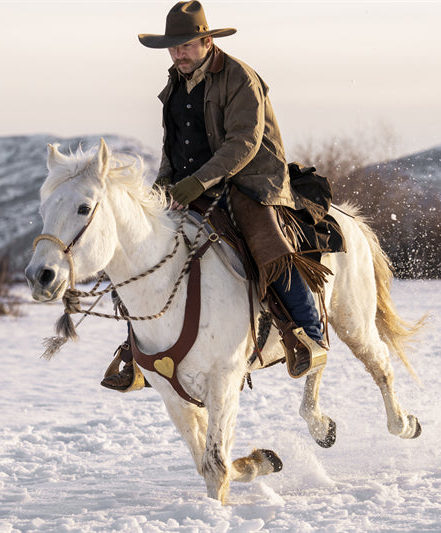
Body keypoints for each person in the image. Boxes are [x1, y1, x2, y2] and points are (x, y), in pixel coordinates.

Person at [101, 0, 328, 391]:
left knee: (266, 243)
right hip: (194, 184)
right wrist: (160, 190)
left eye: (186, 45)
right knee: (143, 248)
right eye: (173, 47)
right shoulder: (174, 83)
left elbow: (244, 142)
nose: (178, 53)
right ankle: (137, 352)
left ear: (206, 40)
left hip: (250, 180)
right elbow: (174, 149)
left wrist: (197, 183)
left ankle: (309, 334)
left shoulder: (239, 77)